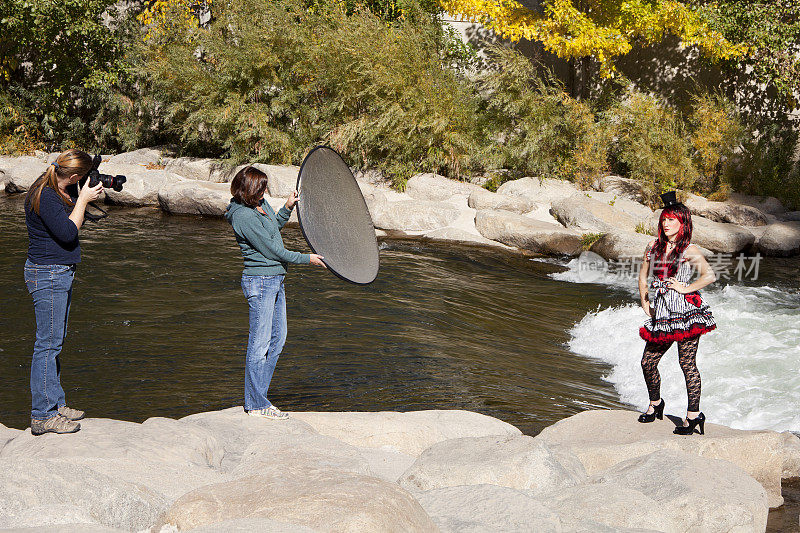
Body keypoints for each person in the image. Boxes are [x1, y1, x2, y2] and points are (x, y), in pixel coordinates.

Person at [224, 166, 325, 420]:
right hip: (260, 282)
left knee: (278, 339)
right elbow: (273, 251)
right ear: (247, 190)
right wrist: (307, 259)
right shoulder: (242, 216)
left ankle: (258, 398)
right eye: (260, 189)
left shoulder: (260, 204)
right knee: (258, 346)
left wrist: (287, 207)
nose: (265, 192)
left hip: (275, 279)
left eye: (264, 188)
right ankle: (257, 404)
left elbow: (273, 230)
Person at [24, 149, 104, 435]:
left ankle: (55, 403)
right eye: (79, 179)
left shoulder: (51, 184)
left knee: (54, 341)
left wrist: (80, 191)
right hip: (48, 273)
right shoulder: (45, 195)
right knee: (47, 344)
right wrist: (82, 200)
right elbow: (69, 232)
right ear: (72, 176)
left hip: (55, 272)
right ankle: (42, 415)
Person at [637, 191, 717, 435]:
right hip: (661, 312)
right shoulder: (652, 246)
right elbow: (642, 276)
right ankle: (656, 404)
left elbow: (710, 275)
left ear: (683, 223)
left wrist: (686, 287)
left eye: (672, 220)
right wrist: (644, 302)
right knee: (647, 362)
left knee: (687, 364)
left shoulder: (689, 250)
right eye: (664, 219)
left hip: (686, 313)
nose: (666, 223)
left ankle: (693, 416)